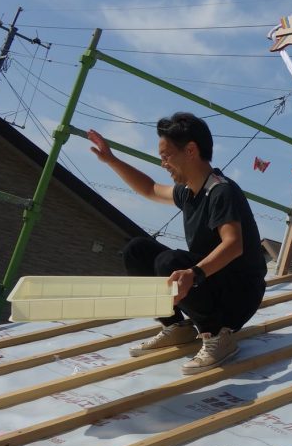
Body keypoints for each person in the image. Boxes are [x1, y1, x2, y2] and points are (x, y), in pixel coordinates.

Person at [87, 113, 267, 375]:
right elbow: (149, 188)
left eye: (166, 156)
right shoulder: (188, 192)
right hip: (210, 284)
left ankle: (218, 336)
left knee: (169, 262)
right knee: (137, 250)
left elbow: (233, 245)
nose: (163, 164)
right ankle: (175, 327)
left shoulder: (221, 191)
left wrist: (194, 273)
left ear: (191, 150)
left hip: (239, 295)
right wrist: (111, 160)